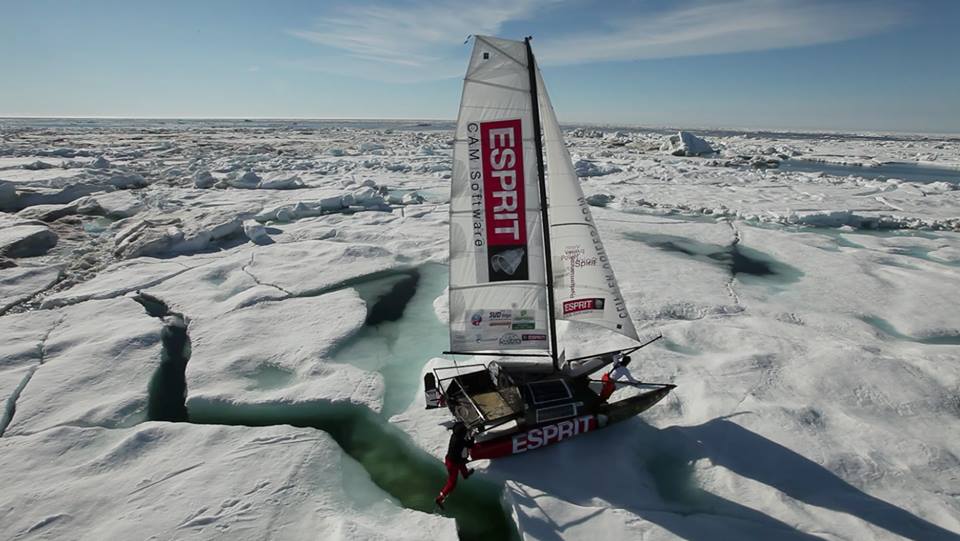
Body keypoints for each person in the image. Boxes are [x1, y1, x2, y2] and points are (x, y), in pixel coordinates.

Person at [435, 421, 474, 509]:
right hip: (453, 464)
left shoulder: (454, 436)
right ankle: (440, 498)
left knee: (462, 463)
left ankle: (465, 475)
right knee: (452, 483)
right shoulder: (460, 441)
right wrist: (472, 437)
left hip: (452, 459)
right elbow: (470, 445)